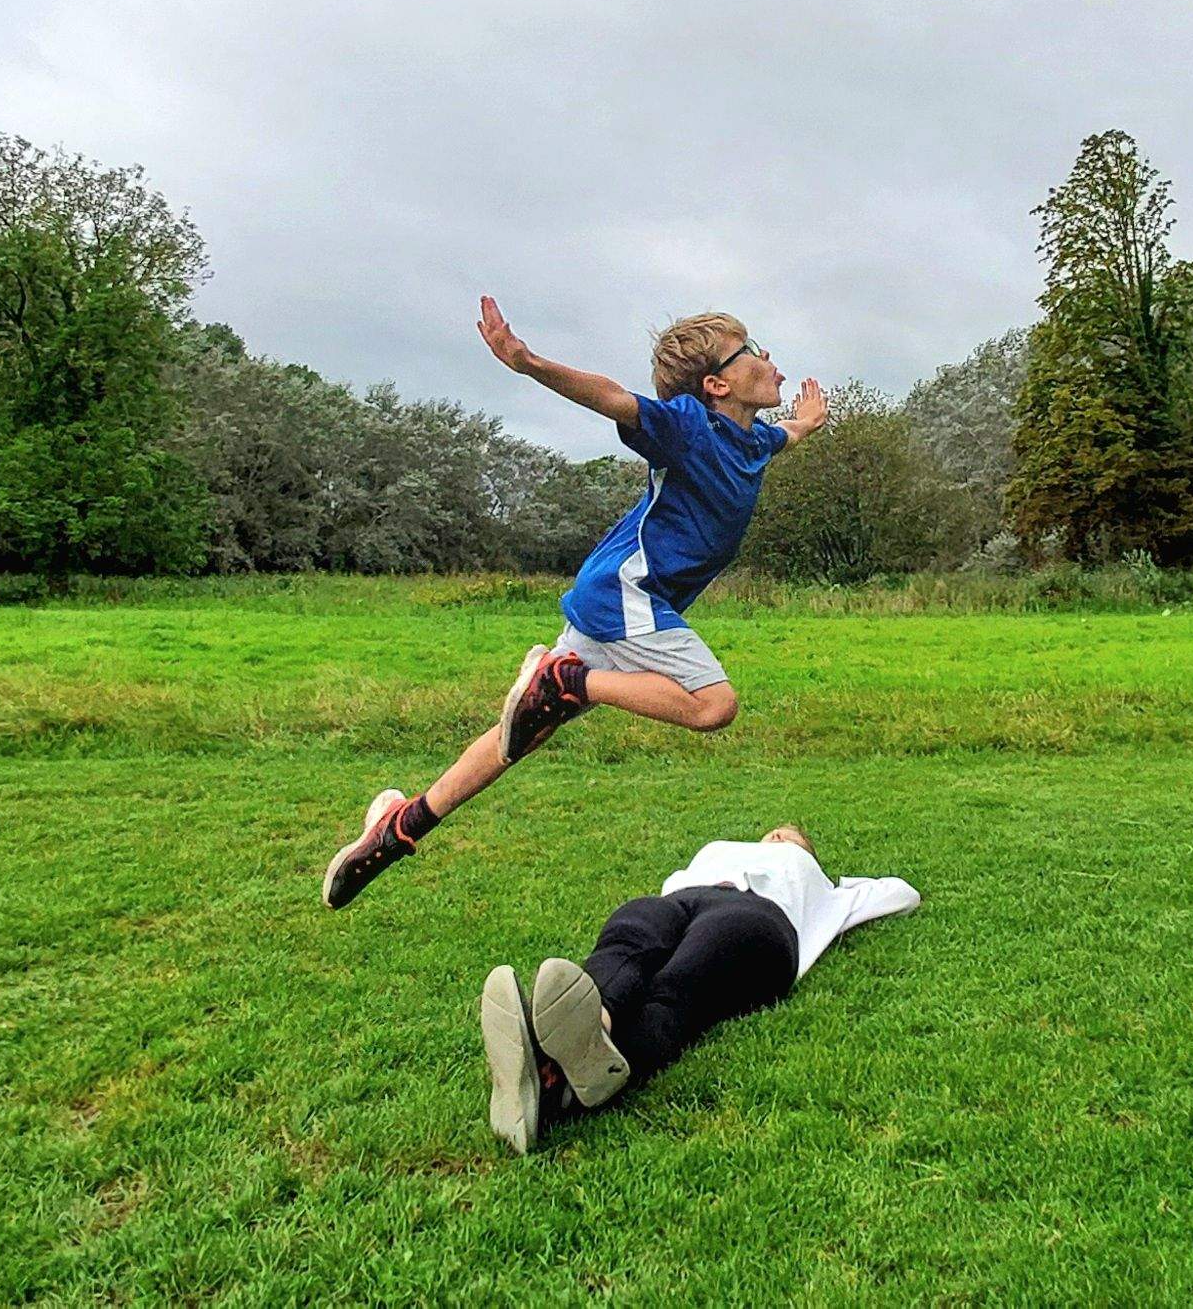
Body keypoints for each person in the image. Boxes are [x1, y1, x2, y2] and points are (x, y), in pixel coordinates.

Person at [320, 297, 828, 908]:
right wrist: (527, 361)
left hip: (618, 602)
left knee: (521, 734)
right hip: (626, 594)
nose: (768, 356)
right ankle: (567, 680)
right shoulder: (688, 426)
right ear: (717, 383)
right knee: (713, 706)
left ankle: (399, 829)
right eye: (753, 349)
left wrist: (807, 423)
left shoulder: (753, 443)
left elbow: (787, 436)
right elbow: (613, 398)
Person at [478, 824, 920, 1154]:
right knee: (628, 944)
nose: (780, 835)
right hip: (680, 901)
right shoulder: (718, 850)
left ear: (809, 853)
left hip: (759, 919)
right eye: (776, 832)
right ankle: (589, 1029)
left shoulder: (823, 886)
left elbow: (903, 894)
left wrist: (841, 889)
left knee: (676, 989)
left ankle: (552, 1077)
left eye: (794, 836)